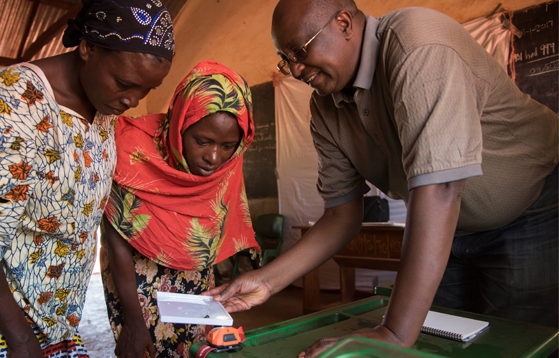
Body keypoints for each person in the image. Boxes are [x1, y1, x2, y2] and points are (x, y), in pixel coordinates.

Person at [204, 0, 558, 357]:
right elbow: (341, 215)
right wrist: (265, 281)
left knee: (515, 343)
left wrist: (392, 331)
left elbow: (441, 189)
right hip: (453, 233)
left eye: (300, 50)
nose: (295, 69)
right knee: (437, 345)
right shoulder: (324, 109)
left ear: (343, 23)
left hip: (532, 211)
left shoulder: (417, 43)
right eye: (286, 58)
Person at [0, 0, 174, 357]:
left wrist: (133, 320)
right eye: (124, 83)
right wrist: (20, 338)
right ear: (87, 48)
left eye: (147, 90)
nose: (133, 100)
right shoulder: (10, 102)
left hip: (55, 320)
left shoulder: (102, 108)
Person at [100, 61, 258, 358]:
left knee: (197, 351)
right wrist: (134, 321)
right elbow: (115, 240)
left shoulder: (226, 166)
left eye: (228, 146)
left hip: (196, 284)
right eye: (202, 141)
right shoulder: (131, 149)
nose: (213, 157)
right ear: (180, 124)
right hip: (136, 287)